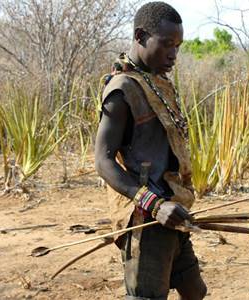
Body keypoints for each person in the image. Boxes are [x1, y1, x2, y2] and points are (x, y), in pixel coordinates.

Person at [95, 2, 207, 299]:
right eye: (167, 44)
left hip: (173, 211)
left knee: (195, 291)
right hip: (146, 220)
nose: (174, 54)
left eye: (179, 46)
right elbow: (103, 161)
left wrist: (170, 203)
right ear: (141, 36)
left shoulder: (156, 81)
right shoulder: (122, 90)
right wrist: (154, 205)